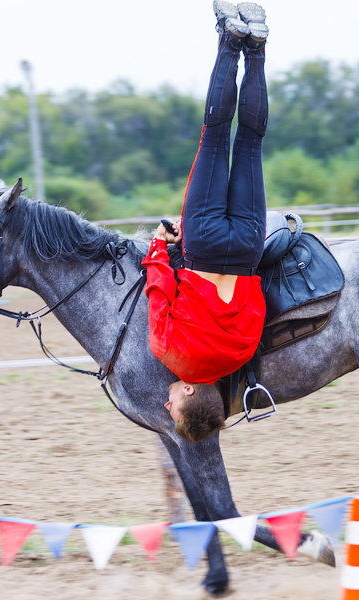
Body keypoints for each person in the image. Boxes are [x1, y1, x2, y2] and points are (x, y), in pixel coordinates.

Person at [142, 1, 269, 442]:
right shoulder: (169, 354)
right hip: (204, 243)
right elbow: (159, 288)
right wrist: (159, 246)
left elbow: (258, 305)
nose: (167, 402)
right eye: (174, 406)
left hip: (250, 246)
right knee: (215, 138)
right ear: (191, 391)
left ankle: (256, 49)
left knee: (250, 144)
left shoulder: (240, 356)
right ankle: (229, 39)